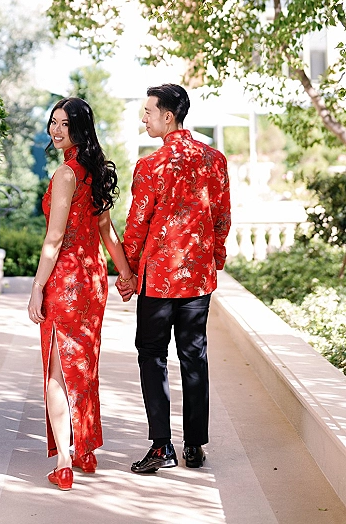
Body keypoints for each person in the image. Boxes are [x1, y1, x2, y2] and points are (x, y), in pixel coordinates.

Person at [116, 84, 230, 474]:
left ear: (168, 116)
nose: (143, 118)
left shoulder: (151, 166)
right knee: (194, 356)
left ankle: (161, 446)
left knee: (152, 356)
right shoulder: (215, 160)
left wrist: (128, 273)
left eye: (148, 111)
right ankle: (194, 447)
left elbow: (137, 225)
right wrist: (215, 255)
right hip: (197, 279)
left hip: (159, 281)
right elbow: (221, 217)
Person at [28, 97, 135, 491]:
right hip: (93, 280)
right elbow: (106, 232)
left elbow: (54, 238)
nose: (56, 130)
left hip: (66, 282)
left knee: (58, 370)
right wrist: (125, 275)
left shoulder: (66, 175)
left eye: (64, 124)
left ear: (80, 128)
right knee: (85, 366)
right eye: (53, 122)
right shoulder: (96, 171)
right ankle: (86, 448)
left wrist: (36, 288)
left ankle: (65, 460)